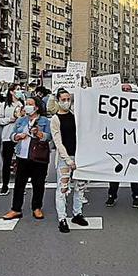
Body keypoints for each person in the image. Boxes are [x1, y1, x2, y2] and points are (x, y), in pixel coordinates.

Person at [3, 97, 52, 220]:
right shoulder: (21, 120)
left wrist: (39, 134)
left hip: (39, 157)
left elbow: (49, 137)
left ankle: (36, 207)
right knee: (19, 183)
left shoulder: (45, 121)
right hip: (22, 156)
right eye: (26, 104)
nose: (27, 106)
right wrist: (17, 136)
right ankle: (16, 209)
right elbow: (12, 136)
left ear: (36, 107)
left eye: (30, 104)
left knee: (38, 183)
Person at [52, 90, 88, 233]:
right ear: (58, 100)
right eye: (64, 99)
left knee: (80, 188)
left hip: (79, 157)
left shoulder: (75, 115)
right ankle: (62, 218)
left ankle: (77, 214)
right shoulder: (55, 119)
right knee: (63, 189)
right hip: (64, 159)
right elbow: (58, 142)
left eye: (68, 99)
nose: (66, 102)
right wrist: (67, 159)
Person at [0, 85, 25, 196]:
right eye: (17, 89)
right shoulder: (4, 105)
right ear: (11, 92)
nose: (19, 91)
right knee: (7, 162)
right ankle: (5, 185)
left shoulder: (23, 105)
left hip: (20, 136)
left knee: (21, 162)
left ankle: (21, 185)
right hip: (7, 136)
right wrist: (9, 119)